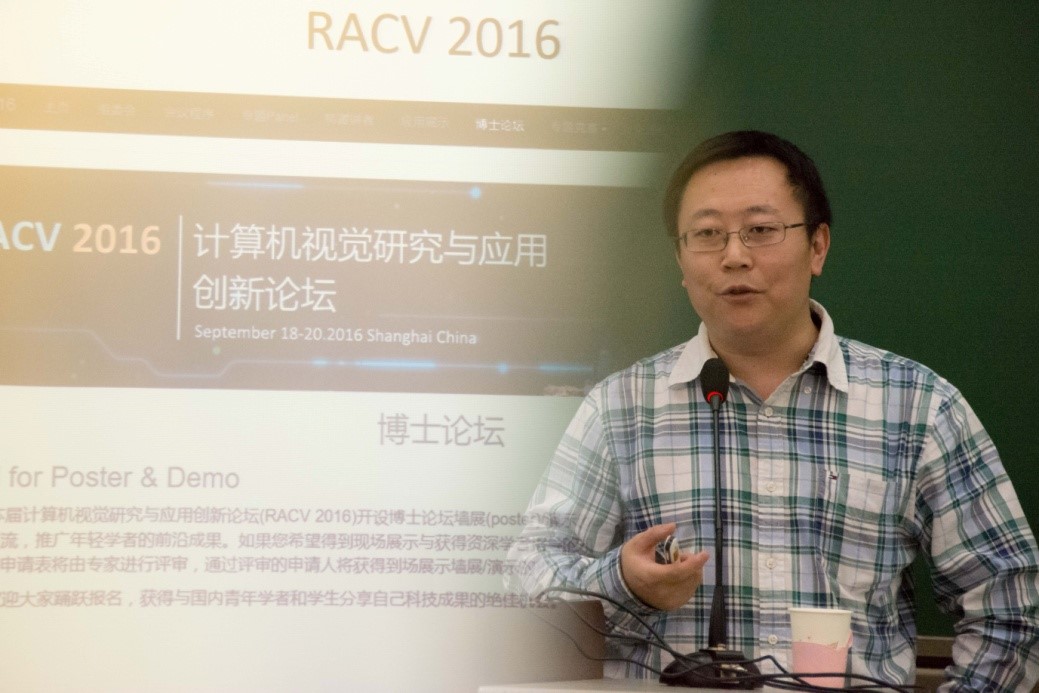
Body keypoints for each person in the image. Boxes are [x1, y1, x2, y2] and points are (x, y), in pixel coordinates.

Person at [507, 130, 1039, 690]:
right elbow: (529, 576)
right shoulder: (621, 409)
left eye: (761, 230)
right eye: (707, 234)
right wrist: (623, 582)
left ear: (817, 246)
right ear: (681, 261)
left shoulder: (917, 406)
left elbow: (1011, 602)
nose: (734, 256)